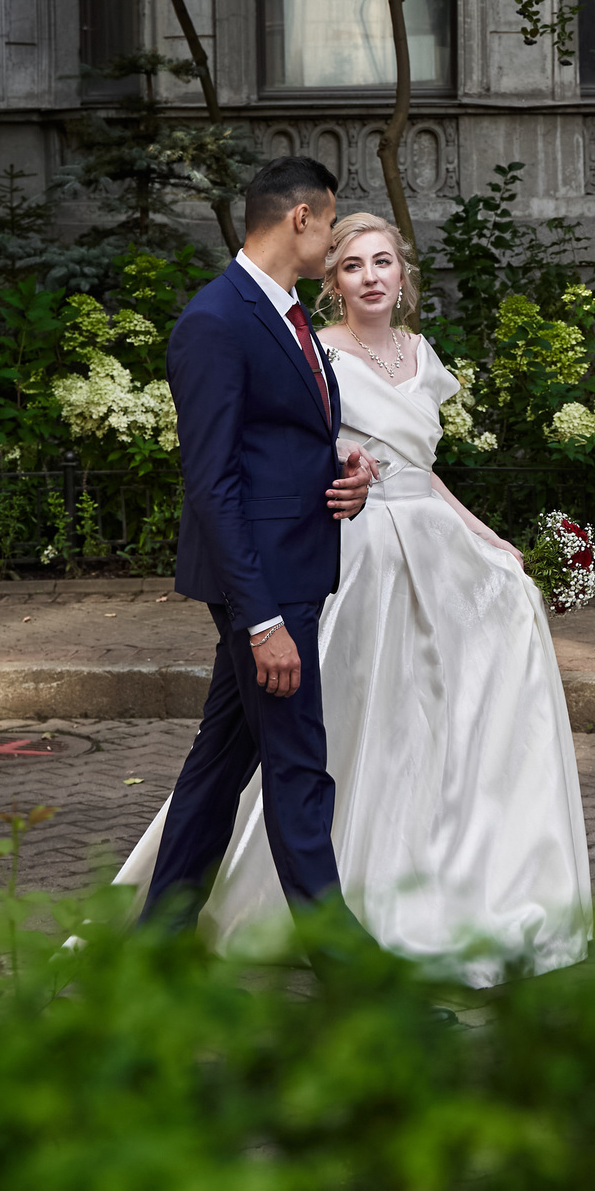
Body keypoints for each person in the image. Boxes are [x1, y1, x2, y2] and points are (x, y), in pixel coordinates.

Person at [120, 210, 594, 984]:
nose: (369, 274)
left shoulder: (419, 353)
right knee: (328, 733)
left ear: (404, 273)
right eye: (351, 262)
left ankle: (452, 868)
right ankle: (316, 940)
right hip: (349, 547)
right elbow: (280, 450)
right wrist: (344, 473)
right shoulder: (310, 347)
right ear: (332, 272)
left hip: (427, 539)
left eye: (383, 261)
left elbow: (424, 468)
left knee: (432, 699)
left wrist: (489, 538)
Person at [127, 156, 374, 942]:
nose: (334, 239)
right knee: (299, 773)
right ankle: (356, 980)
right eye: (331, 222)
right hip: (263, 587)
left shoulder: (287, 312)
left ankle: (153, 947)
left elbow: (283, 440)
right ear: (299, 218)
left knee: (218, 767)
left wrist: (344, 470)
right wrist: (262, 616)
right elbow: (212, 482)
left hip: (293, 566)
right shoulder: (215, 320)